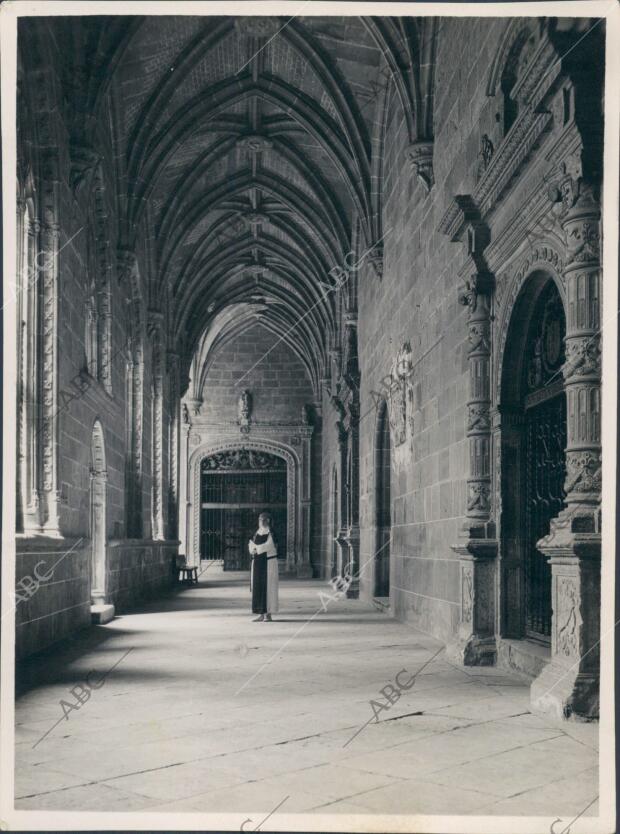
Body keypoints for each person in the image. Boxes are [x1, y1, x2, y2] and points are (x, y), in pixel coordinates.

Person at [248, 512, 279, 621]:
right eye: (260, 519)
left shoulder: (271, 532)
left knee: (268, 588)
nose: (261, 521)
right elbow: (250, 543)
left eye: (263, 519)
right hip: (257, 563)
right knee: (257, 587)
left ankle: (268, 614)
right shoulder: (257, 532)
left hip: (268, 563)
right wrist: (252, 549)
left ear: (268, 521)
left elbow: (269, 545)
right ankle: (260, 614)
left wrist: (257, 548)